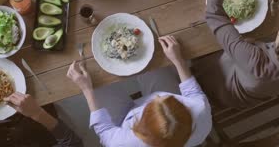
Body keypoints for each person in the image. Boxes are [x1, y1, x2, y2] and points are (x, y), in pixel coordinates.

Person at [67, 36, 212, 146]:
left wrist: (86, 89)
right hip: (163, 117)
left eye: (155, 101)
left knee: (96, 80)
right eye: (166, 99)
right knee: (154, 59)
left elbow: (104, 131)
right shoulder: (200, 111)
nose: (157, 97)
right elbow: (194, 93)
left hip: (123, 119)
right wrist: (178, 60)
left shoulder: (125, 143)